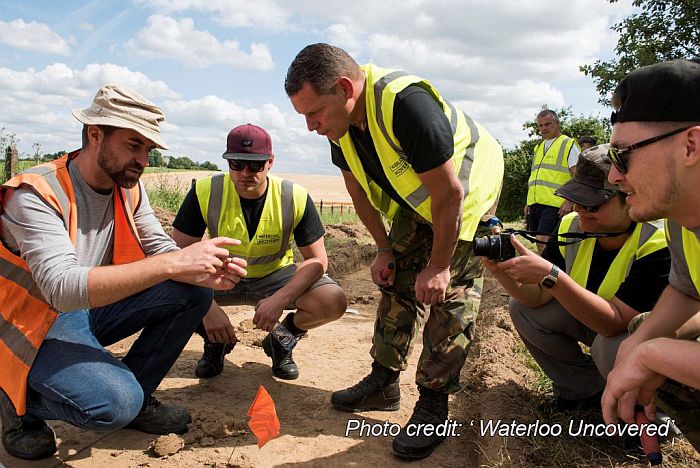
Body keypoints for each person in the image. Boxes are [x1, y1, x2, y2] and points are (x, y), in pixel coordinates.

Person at [0, 85, 247, 461]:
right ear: (95, 134)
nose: (143, 159)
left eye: (148, 149)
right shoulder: (34, 194)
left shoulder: (127, 187)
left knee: (192, 295)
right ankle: (15, 403)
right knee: (113, 404)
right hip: (26, 324)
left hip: (81, 312)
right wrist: (173, 264)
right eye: (134, 145)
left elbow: (160, 249)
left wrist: (204, 274)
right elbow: (62, 289)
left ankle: (138, 396)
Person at [284, 43, 503, 460]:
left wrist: (438, 266)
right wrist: (384, 249)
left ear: (346, 88)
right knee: (397, 279)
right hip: (421, 201)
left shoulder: (407, 105)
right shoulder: (341, 125)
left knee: (448, 295)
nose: (310, 126)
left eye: (314, 113)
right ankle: (384, 381)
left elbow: (450, 193)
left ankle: (435, 406)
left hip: (465, 194)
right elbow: (357, 190)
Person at [485, 145, 669, 412]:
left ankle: (652, 412)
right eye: (576, 198)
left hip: (637, 336)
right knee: (523, 310)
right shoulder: (572, 224)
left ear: (629, 197)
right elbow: (536, 298)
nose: (581, 208)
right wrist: (501, 272)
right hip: (601, 322)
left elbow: (614, 324)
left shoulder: (657, 239)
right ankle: (586, 391)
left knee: (609, 347)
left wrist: (553, 277)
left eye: (592, 203)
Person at [172, 123, 347, 381]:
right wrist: (206, 308)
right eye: (237, 164)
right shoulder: (205, 191)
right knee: (165, 291)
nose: (246, 172)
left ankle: (282, 341)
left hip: (275, 277)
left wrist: (279, 300)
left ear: (270, 162)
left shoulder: (293, 196)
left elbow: (317, 259)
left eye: (255, 165)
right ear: (228, 161)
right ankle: (215, 341)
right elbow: (178, 256)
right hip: (220, 277)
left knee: (332, 301)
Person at [601, 58, 700, 451]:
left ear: (691, 145)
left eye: (623, 155)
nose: (613, 176)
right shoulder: (681, 215)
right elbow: (688, 288)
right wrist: (636, 346)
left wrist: (652, 355)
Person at [525, 109, 581, 253]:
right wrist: (528, 202)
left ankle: (548, 273)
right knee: (539, 242)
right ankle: (546, 273)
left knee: (544, 241)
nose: (544, 128)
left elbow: (579, 176)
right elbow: (536, 177)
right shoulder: (538, 147)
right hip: (536, 204)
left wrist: (569, 200)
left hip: (556, 204)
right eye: (541, 125)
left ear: (557, 123)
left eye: (547, 124)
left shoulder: (568, 144)